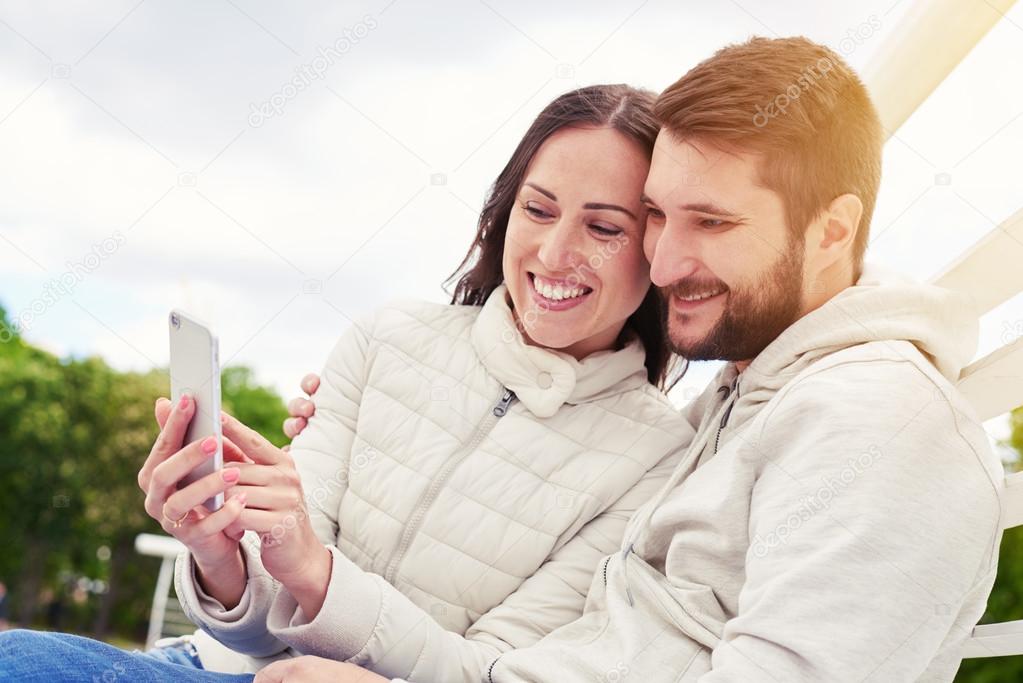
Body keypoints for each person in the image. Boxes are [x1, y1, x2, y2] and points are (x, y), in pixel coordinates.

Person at [273, 36, 1004, 682]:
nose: (661, 265)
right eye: (657, 215)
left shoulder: (885, 423)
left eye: (711, 222)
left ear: (830, 230)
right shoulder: (745, 399)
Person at [0, 84, 696, 682]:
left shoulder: (657, 456)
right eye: (537, 210)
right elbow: (256, 633)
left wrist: (314, 569)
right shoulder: (388, 338)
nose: (553, 252)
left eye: (603, 226)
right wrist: (217, 547)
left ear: (657, 249)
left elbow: (490, 667)